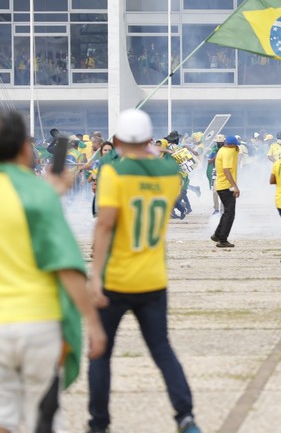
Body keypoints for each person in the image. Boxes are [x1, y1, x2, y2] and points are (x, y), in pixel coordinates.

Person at [88, 108, 201, 433]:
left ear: (119, 141)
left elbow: (105, 225)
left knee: (101, 354)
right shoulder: (167, 174)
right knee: (162, 350)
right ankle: (185, 415)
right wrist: (155, 148)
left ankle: (99, 423)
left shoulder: (114, 173)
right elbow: (165, 157)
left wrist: (95, 277)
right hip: (153, 278)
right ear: (150, 140)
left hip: (117, 278)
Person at [0, 111, 105, 433]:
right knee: (43, 419)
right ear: (23, 149)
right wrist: (93, 322)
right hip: (38, 325)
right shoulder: (37, 195)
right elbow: (66, 266)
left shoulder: (38, 193)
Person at [210, 135, 239, 249]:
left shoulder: (223, 149)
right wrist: (235, 186)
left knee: (227, 212)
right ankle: (222, 240)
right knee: (230, 214)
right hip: (226, 186)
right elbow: (227, 170)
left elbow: (237, 150)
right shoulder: (227, 153)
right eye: (235, 145)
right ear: (231, 145)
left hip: (222, 186)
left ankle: (217, 235)